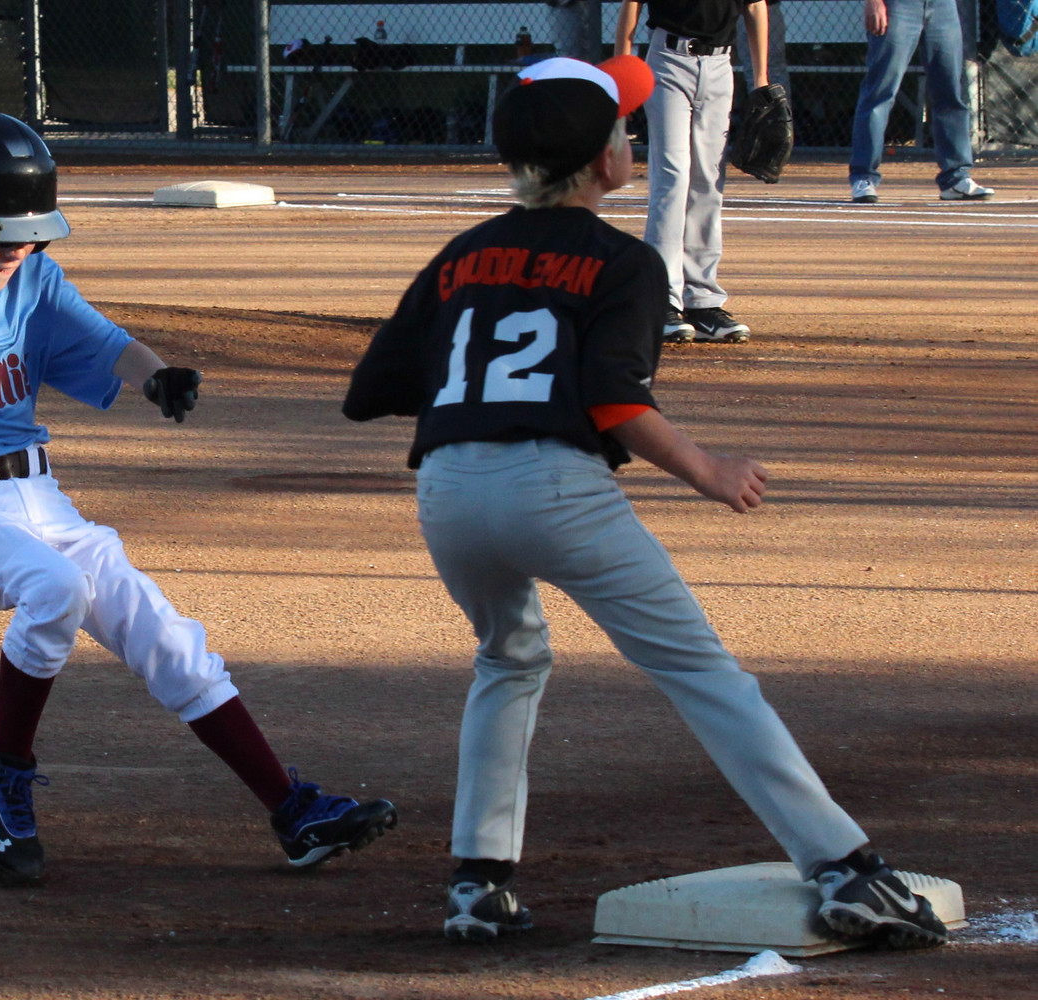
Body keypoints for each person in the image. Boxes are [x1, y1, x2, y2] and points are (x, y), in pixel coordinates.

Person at [342, 55, 949, 952]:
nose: (628, 141)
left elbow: (370, 391)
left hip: (447, 491)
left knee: (508, 657)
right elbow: (614, 402)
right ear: (606, 163)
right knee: (701, 672)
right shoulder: (623, 261)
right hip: (555, 488)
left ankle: (478, 883)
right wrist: (707, 469)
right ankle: (843, 868)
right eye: (621, 133)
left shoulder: (461, 254)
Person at [0, 110, 398, 881]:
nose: (21, 250)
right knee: (55, 589)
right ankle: (0, 769)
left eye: (30, 236)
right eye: (4, 237)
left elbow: (105, 342)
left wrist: (155, 376)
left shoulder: (34, 281)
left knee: (163, 634)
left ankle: (293, 811)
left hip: (39, 496)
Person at [615, 0, 767, 344]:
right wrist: (624, 65)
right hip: (668, 59)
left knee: (708, 182)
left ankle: (702, 301)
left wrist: (760, 80)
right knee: (673, 177)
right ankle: (662, 299)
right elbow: (632, 4)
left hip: (721, 64)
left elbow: (756, 7)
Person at [849, 0, 994, 203]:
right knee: (880, 93)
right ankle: (863, 177)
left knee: (950, 95)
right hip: (898, 6)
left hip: (943, 7)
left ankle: (956, 178)